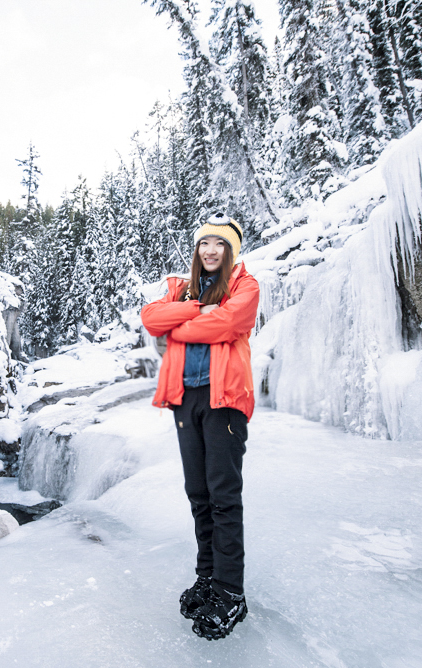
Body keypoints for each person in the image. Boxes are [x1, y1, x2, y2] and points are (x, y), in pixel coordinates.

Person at [140, 213, 259, 640]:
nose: (210, 251)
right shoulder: (181, 289)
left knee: (224, 496)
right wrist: (194, 308)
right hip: (185, 399)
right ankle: (208, 578)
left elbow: (228, 323)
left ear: (232, 250)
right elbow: (153, 318)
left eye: (220, 244)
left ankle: (231, 592)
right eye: (204, 243)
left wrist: (183, 327)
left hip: (224, 400)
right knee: (199, 495)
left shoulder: (245, 286)